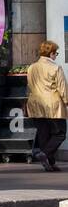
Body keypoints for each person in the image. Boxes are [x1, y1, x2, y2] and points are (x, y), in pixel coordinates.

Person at [26, 40, 66, 172]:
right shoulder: (55, 68)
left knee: (44, 134)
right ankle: (45, 154)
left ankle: (50, 163)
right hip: (52, 104)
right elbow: (63, 88)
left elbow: (29, 86)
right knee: (60, 133)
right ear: (52, 53)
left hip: (35, 103)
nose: (56, 56)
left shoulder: (32, 67)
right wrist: (66, 101)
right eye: (56, 53)